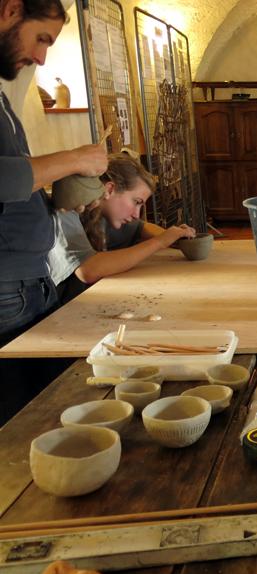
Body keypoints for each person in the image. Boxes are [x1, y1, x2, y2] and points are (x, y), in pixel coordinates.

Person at [0, 0, 107, 425]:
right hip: (8, 288)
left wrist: (52, 202)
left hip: (28, 281)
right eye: (41, 38)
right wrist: (76, 160)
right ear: (11, 10)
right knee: (20, 420)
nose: (42, 57)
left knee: (45, 409)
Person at [48, 153, 196, 304]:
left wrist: (175, 236)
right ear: (110, 189)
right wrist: (160, 242)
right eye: (136, 202)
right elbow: (87, 270)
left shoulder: (103, 213)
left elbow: (141, 227)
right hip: (57, 314)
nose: (137, 214)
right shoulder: (66, 211)